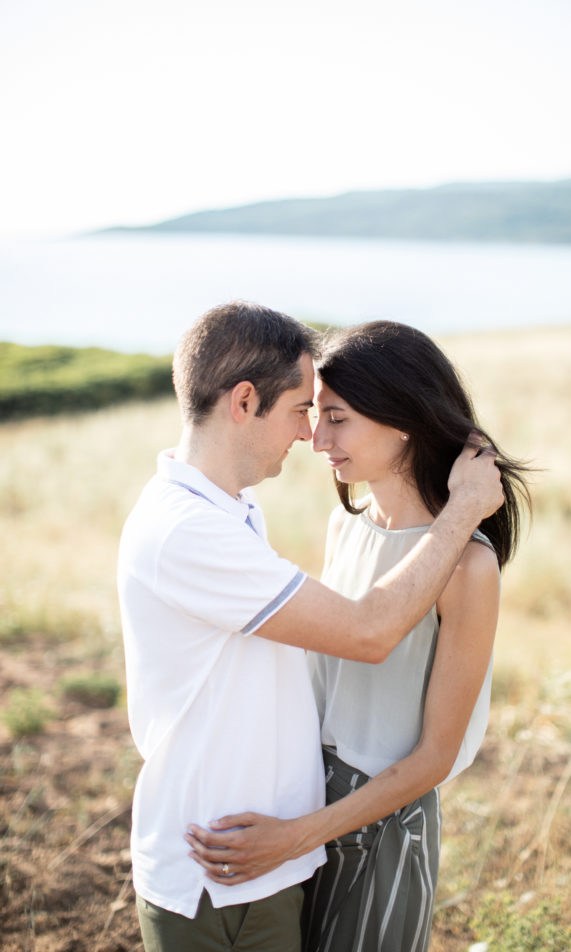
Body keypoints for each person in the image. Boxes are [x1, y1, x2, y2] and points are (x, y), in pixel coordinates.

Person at [118, 302, 503, 952]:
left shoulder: (464, 566)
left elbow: (434, 754)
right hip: (277, 836)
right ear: (245, 402)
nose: (313, 439)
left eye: (334, 417)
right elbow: (364, 632)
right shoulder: (259, 528)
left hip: (352, 829)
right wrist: (463, 507)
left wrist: (303, 832)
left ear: (405, 422)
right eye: (308, 412)